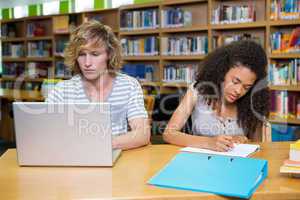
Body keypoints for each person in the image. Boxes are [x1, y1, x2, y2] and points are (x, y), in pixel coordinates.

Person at [46, 20, 150, 150]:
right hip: (73, 157)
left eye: (95, 54)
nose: (87, 63)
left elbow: (143, 134)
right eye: (82, 54)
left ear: (109, 54)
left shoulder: (129, 85)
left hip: (116, 156)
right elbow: (47, 134)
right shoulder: (61, 90)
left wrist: (100, 145)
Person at [163, 40, 269, 152]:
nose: (238, 91)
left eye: (246, 87)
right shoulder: (198, 90)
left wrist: (244, 141)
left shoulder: (253, 103)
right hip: (201, 162)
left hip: (235, 165)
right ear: (222, 71)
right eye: (235, 81)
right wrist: (209, 142)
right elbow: (169, 134)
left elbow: (257, 145)